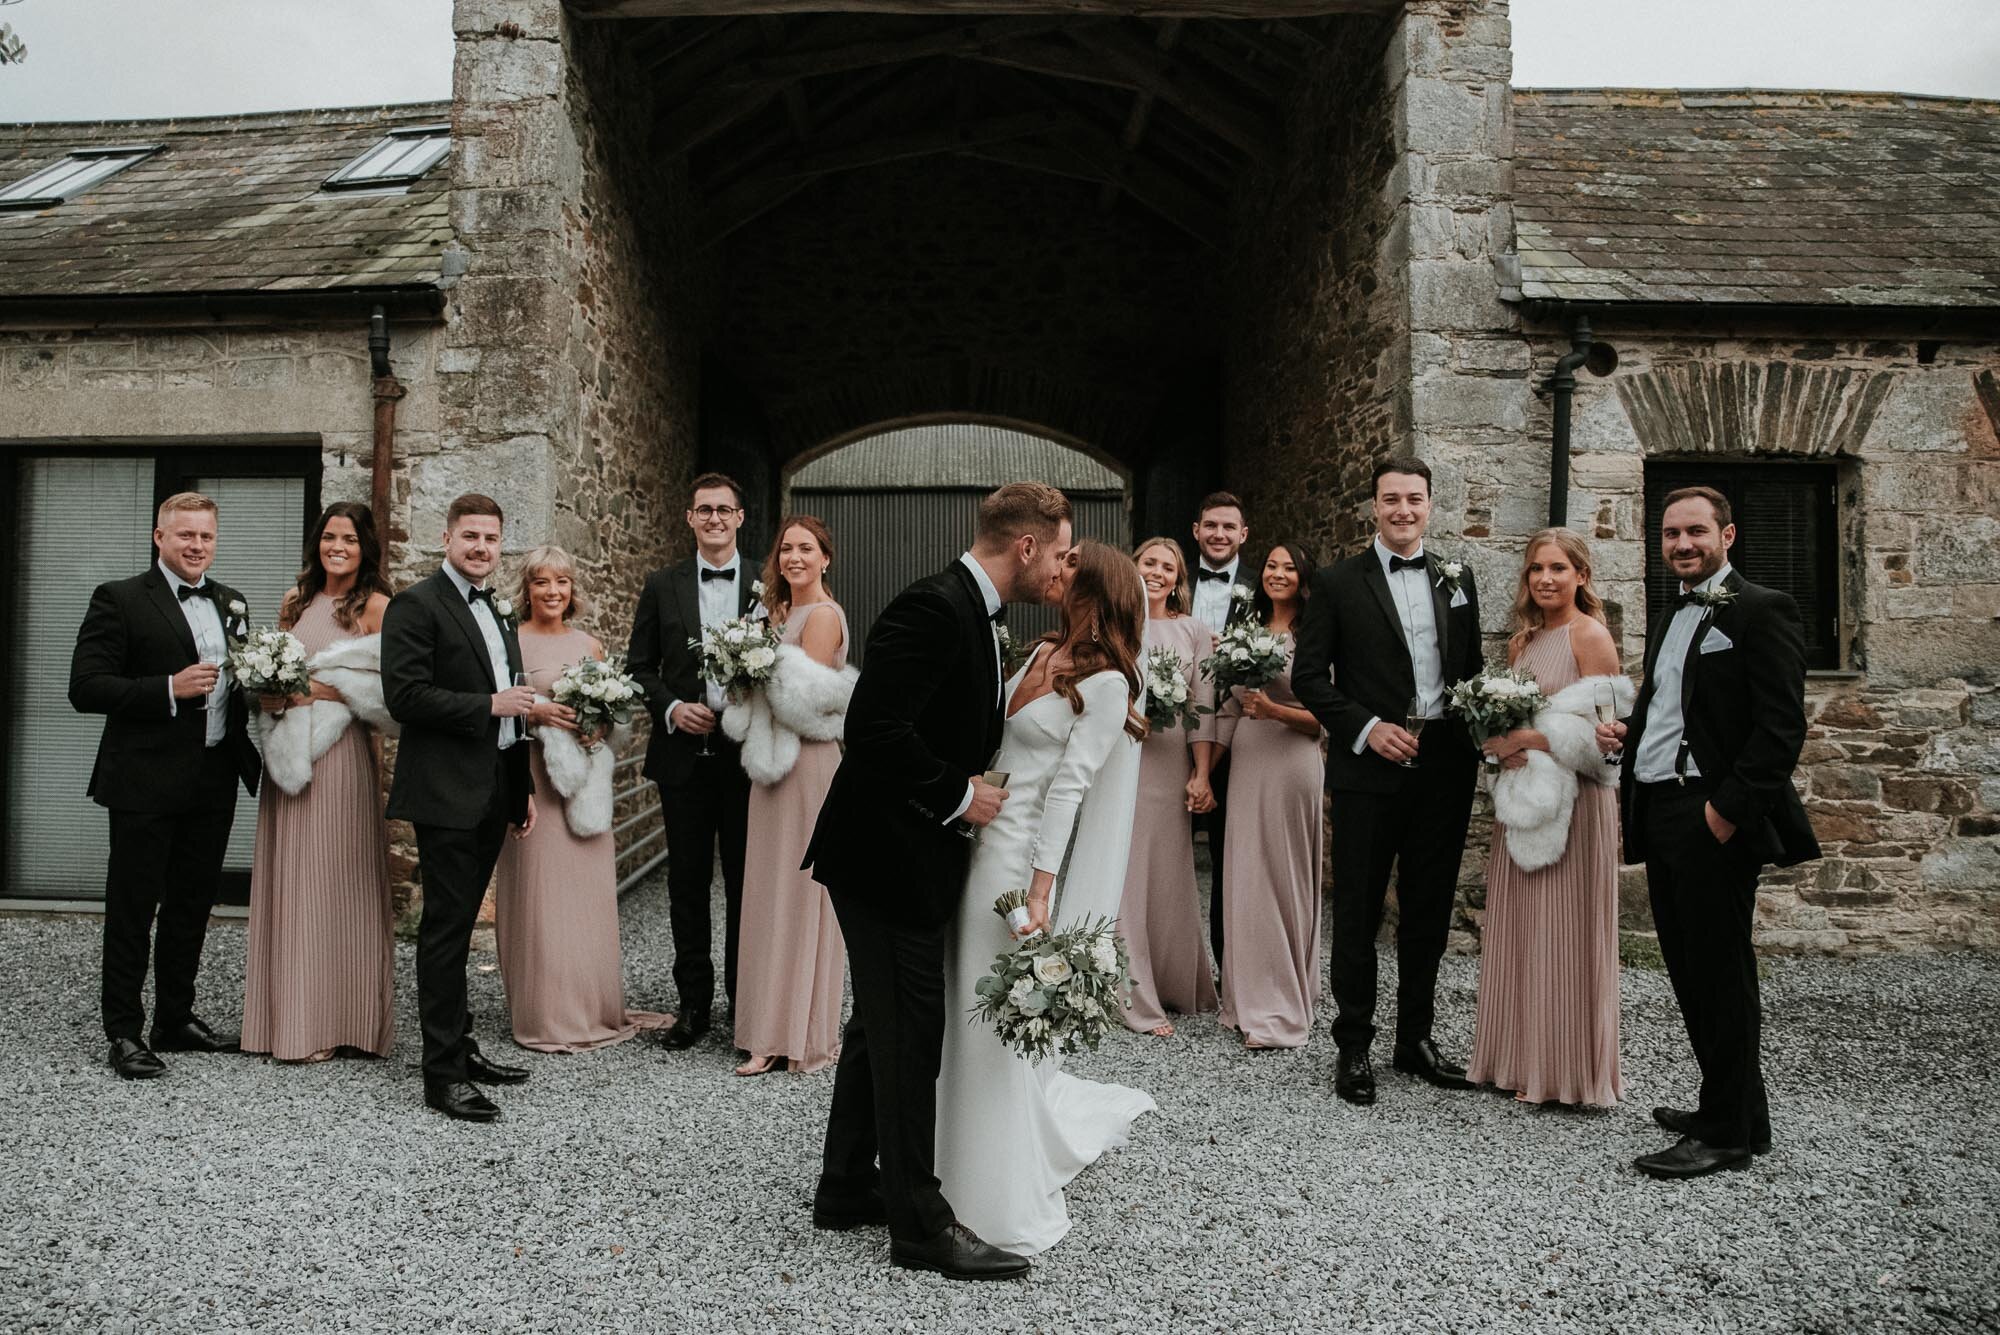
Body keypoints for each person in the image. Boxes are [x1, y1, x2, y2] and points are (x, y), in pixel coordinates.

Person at [807, 482, 1071, 1282]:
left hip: (908, 857)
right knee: (908, 1034)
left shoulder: (978, 612)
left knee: (875, 1028)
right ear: (1024, 546)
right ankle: (920, 1225)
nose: (1064, 566)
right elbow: (873, 730)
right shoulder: (932, 606)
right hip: (886, 860)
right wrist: (961, 793)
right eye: (1059, 551)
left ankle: (846, 1184)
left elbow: (935, 717)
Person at [935, 538, 1155, 1256]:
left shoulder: (1109, 684)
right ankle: (940, 1164)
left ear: (1091, 585)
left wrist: (1039, 891)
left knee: (987, 1016)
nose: (1053, 568)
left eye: (1069, 564)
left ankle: (992, 1186)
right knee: (954, 1004)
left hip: (1016, 861)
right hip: (975, 841)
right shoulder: (1037, 653)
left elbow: (1071, 788)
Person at [1606, 486, 1820, 1179]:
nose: (1682, 544)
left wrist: (1723, 813)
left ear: (1728, 536)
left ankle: (1725, 1134)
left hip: (1710, 815)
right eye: (1671, 534)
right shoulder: (1673, 611)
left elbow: (1780, 727)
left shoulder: (1763, 610)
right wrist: (1629, 734)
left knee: (1721, 975)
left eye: (1695, 531)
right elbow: (1673, 706)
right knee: (1692, 971)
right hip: (1662, 809)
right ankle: (1736, 1111)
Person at [1291, 456, 1484, 1106]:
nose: (1404, 509)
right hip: (1368, 770)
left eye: (1415, 498)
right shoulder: (1340, 582)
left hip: (1444, 770)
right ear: (1374, 505)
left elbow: (1472, 671)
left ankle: (1415, 1039)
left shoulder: (1458, 578)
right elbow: (1310, 677)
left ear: (1430, 504)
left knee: (1427, 911)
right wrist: (1367, 727)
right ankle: (1353, 1045)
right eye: (1392, 499)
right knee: (1360, 910)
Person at [70, 492, 261, 1079]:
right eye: (185, 536)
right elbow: (86, 687)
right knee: (133, 908)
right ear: (160, 537)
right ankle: (123, 1032)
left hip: (213, 780)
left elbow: (240, 686)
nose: (196, 546)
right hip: (143, 781)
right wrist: (166, 689)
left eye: (205, 536)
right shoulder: (120, 599)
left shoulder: (232, 601)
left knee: (191, 906)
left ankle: (175, 1018)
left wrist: (268, 689)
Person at [382, 493, 537, 1123]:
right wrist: (486, 707)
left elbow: (518, 703)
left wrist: (520, 788)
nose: (481, 548)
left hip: (492, 789)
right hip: (445, 793)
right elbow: (405, 697)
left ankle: (463, 1045)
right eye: (470, 536)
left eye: (491, 539)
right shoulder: (415, 606)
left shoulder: (498, 609)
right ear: (446, 539)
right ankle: (441, 1074)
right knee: (445, 934)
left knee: (462, 921)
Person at [1466, 529, 1630, 1108]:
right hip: (1526, 802)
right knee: (1523, 927)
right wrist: (1496, 745)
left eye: (1558, 568)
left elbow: (1606, 744)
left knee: (1566, 931)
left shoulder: (1591, 637)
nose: (1545, 579)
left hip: (1578, 809)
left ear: (1580, 576)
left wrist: (1533, 736)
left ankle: (1567, 1073)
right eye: (1536, 568)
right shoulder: (1522, 644)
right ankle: (1519, 1060)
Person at [495, 546, 669, 1053]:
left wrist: (597, 729)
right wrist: (539, 714)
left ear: (573, 589)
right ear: (526, 589)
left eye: (562, 582)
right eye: (542, 582)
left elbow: (613, 717)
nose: (553, 591)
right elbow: (501, 709)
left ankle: (589, 1005)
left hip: (584, 786)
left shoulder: (590, 645)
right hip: (532, 779)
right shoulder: (511, 644)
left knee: (584, 896)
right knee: (536, 891)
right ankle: (544, 1011)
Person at [241, 501, 396, 1064]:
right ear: (318, 542)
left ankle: (345, 1020)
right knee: (293, 879)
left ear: (365, 548)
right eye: (330, 537)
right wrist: (272, 692)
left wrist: (322, 691)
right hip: (288, 758)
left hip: (340, 759)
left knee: (338, 881)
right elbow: (279, 674)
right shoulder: (295, 600)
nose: (338, 547)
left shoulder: (379, 607)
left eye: (350, 539)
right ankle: (289, 1020)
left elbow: (391, 696)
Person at [627, 473, 760, 1051]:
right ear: (689, 519)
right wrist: (674, 707)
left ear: (739, 518)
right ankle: (693, 1006)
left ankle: (745, 1002)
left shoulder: (764, 582)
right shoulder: (662, 584)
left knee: (744, 882)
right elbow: (640, 667)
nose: (713, 519)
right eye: (703, 510)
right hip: (681, 758)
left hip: (745, 759)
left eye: (723, 510)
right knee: (686, 882)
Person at [729, 517, 854, 1076]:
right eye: (786, 549)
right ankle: (764, 1030)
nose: (794, 557)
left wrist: (754, 672)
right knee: (767, 893)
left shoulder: (822, 616)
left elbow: (806, 703)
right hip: (771, 767)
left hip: (806, 764)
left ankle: (795, 1033)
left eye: (806, 549)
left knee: (799, 896)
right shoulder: (774, 615)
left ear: (826, 558)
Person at [1214, 543, 1326, 1050]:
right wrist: (1203, 772)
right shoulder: (1247, 632)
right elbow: (1232, 708)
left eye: (1289, 567)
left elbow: (1328, 720)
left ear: (1304, 579)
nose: (1277, 574)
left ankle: (1281, 1006)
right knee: (1246, 872)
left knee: (1283, 874)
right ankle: (1247, 996)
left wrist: (1275, 710)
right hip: (1248, 759)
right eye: (1271, 566)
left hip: (1292, 760)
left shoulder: (1317, 635)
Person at [1116, 537, 1220, 1037]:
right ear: (1132, 567)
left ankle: (1174, 980)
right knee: (1126, 871)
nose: (1156, 573)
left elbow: (1203, 710)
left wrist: (1200, 773)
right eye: (1148, 563)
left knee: (1168, 873)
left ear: (1179, 579)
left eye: (1167, 567)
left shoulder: (1193, 631)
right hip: (1122, 759)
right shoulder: (1113, 622)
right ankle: (1131, 993)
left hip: (1168, 761)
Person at [1187, 492, 1253, 973]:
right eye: (1211, 525)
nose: (1219, 535)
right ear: (1196, 530)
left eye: (1229, 527)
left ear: (1243, 534)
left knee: (1232, 855)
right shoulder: (1169, 584)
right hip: (1172, 733)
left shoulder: (1263, 588)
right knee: (1159, 849)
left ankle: (1230, 968)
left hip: (1236, 736)